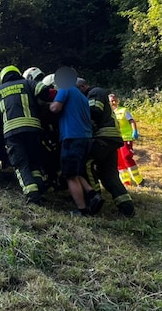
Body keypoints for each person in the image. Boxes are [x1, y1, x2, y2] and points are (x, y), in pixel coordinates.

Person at [0, 65, 52, 205]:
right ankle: (39, 187)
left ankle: (32, 194)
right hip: (33, 128)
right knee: (34, 161)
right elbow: (44, 90)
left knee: (20, 163)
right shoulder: (28, 83)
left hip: (12, 132)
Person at [77, 78, 135, 217]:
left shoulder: (95, 92)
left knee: (86, 163)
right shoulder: (96, 93)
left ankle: (94, 198)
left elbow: (94, 111)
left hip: (104, 137)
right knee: (109, 175)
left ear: (84, 86)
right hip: (111, 139)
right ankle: (127, 208)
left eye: (77, 90)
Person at [49, 68, 98, 216]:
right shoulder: (82, 97)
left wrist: (49, 105)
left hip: (72, 137)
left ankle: (81, 210)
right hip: (86, 138)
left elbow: (56, 108)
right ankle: (92, 194)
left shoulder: (66, 88)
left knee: (69, 175)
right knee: (77, 172)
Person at [109, 93, 144, 186]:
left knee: (127, 157)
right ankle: (126, 181)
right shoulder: (109, 113)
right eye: (111, 100)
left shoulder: (124, 110)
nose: (113, 102)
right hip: (116, 139)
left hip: (126, 138)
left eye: (114, 99)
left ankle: (139, 181)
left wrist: (134, 131)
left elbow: (131, 121)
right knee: (119, 161)